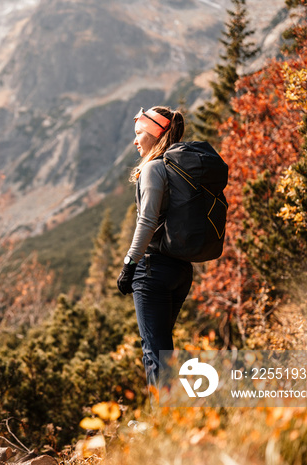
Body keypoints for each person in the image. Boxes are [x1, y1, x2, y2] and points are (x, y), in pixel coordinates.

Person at [116, 105, 191, 408]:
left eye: (139, 134)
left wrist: (129, 265)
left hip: (153, 270)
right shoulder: (179, 168)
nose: (135, 141)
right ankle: (172, 418)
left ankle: (164, 424)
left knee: (154, 351)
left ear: (156, 133)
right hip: (181, 270)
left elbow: (146, 221)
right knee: (164, 350)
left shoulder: (154, 168)